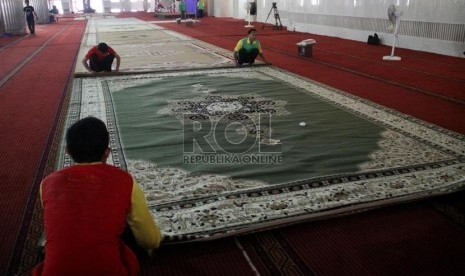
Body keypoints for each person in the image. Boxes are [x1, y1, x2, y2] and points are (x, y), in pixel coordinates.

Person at [32, 117, 163, 276]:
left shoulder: (47, 184)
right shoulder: (125, 181)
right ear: (107, 152)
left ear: (67, 151)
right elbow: (149, 239)